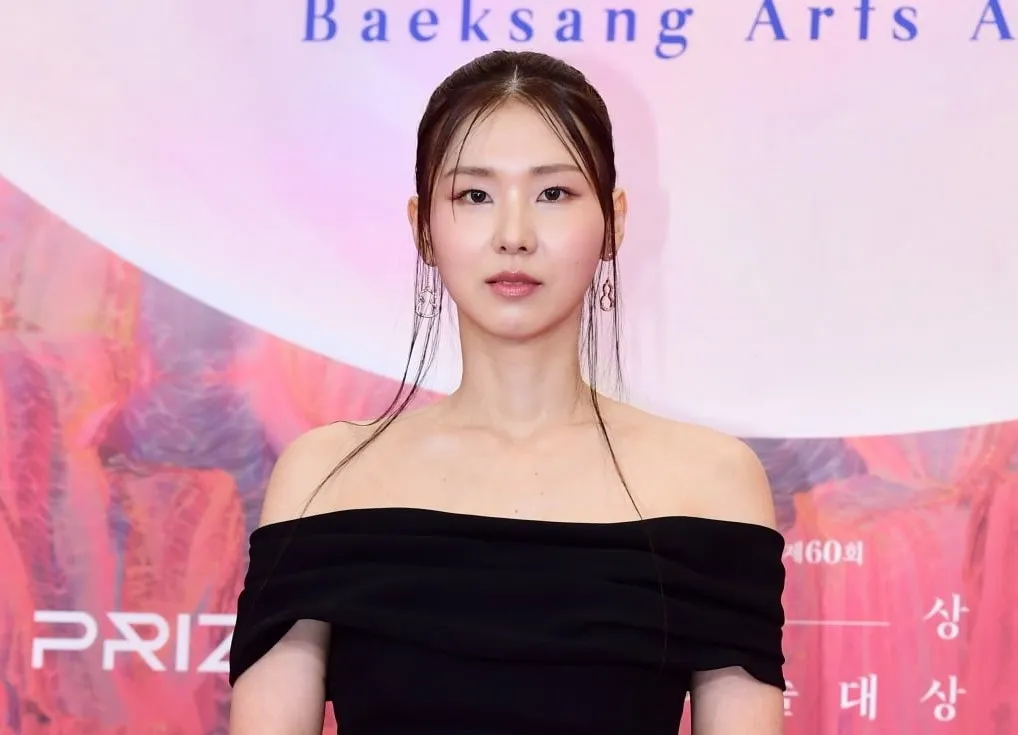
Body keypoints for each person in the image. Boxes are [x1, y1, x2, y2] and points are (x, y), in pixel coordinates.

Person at [227, 50, 787, 734]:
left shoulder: (710, 483)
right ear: (422, 226)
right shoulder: (326, 479)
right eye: (474, 195)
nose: (514, 236)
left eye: (554, 194)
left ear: (613, 222)